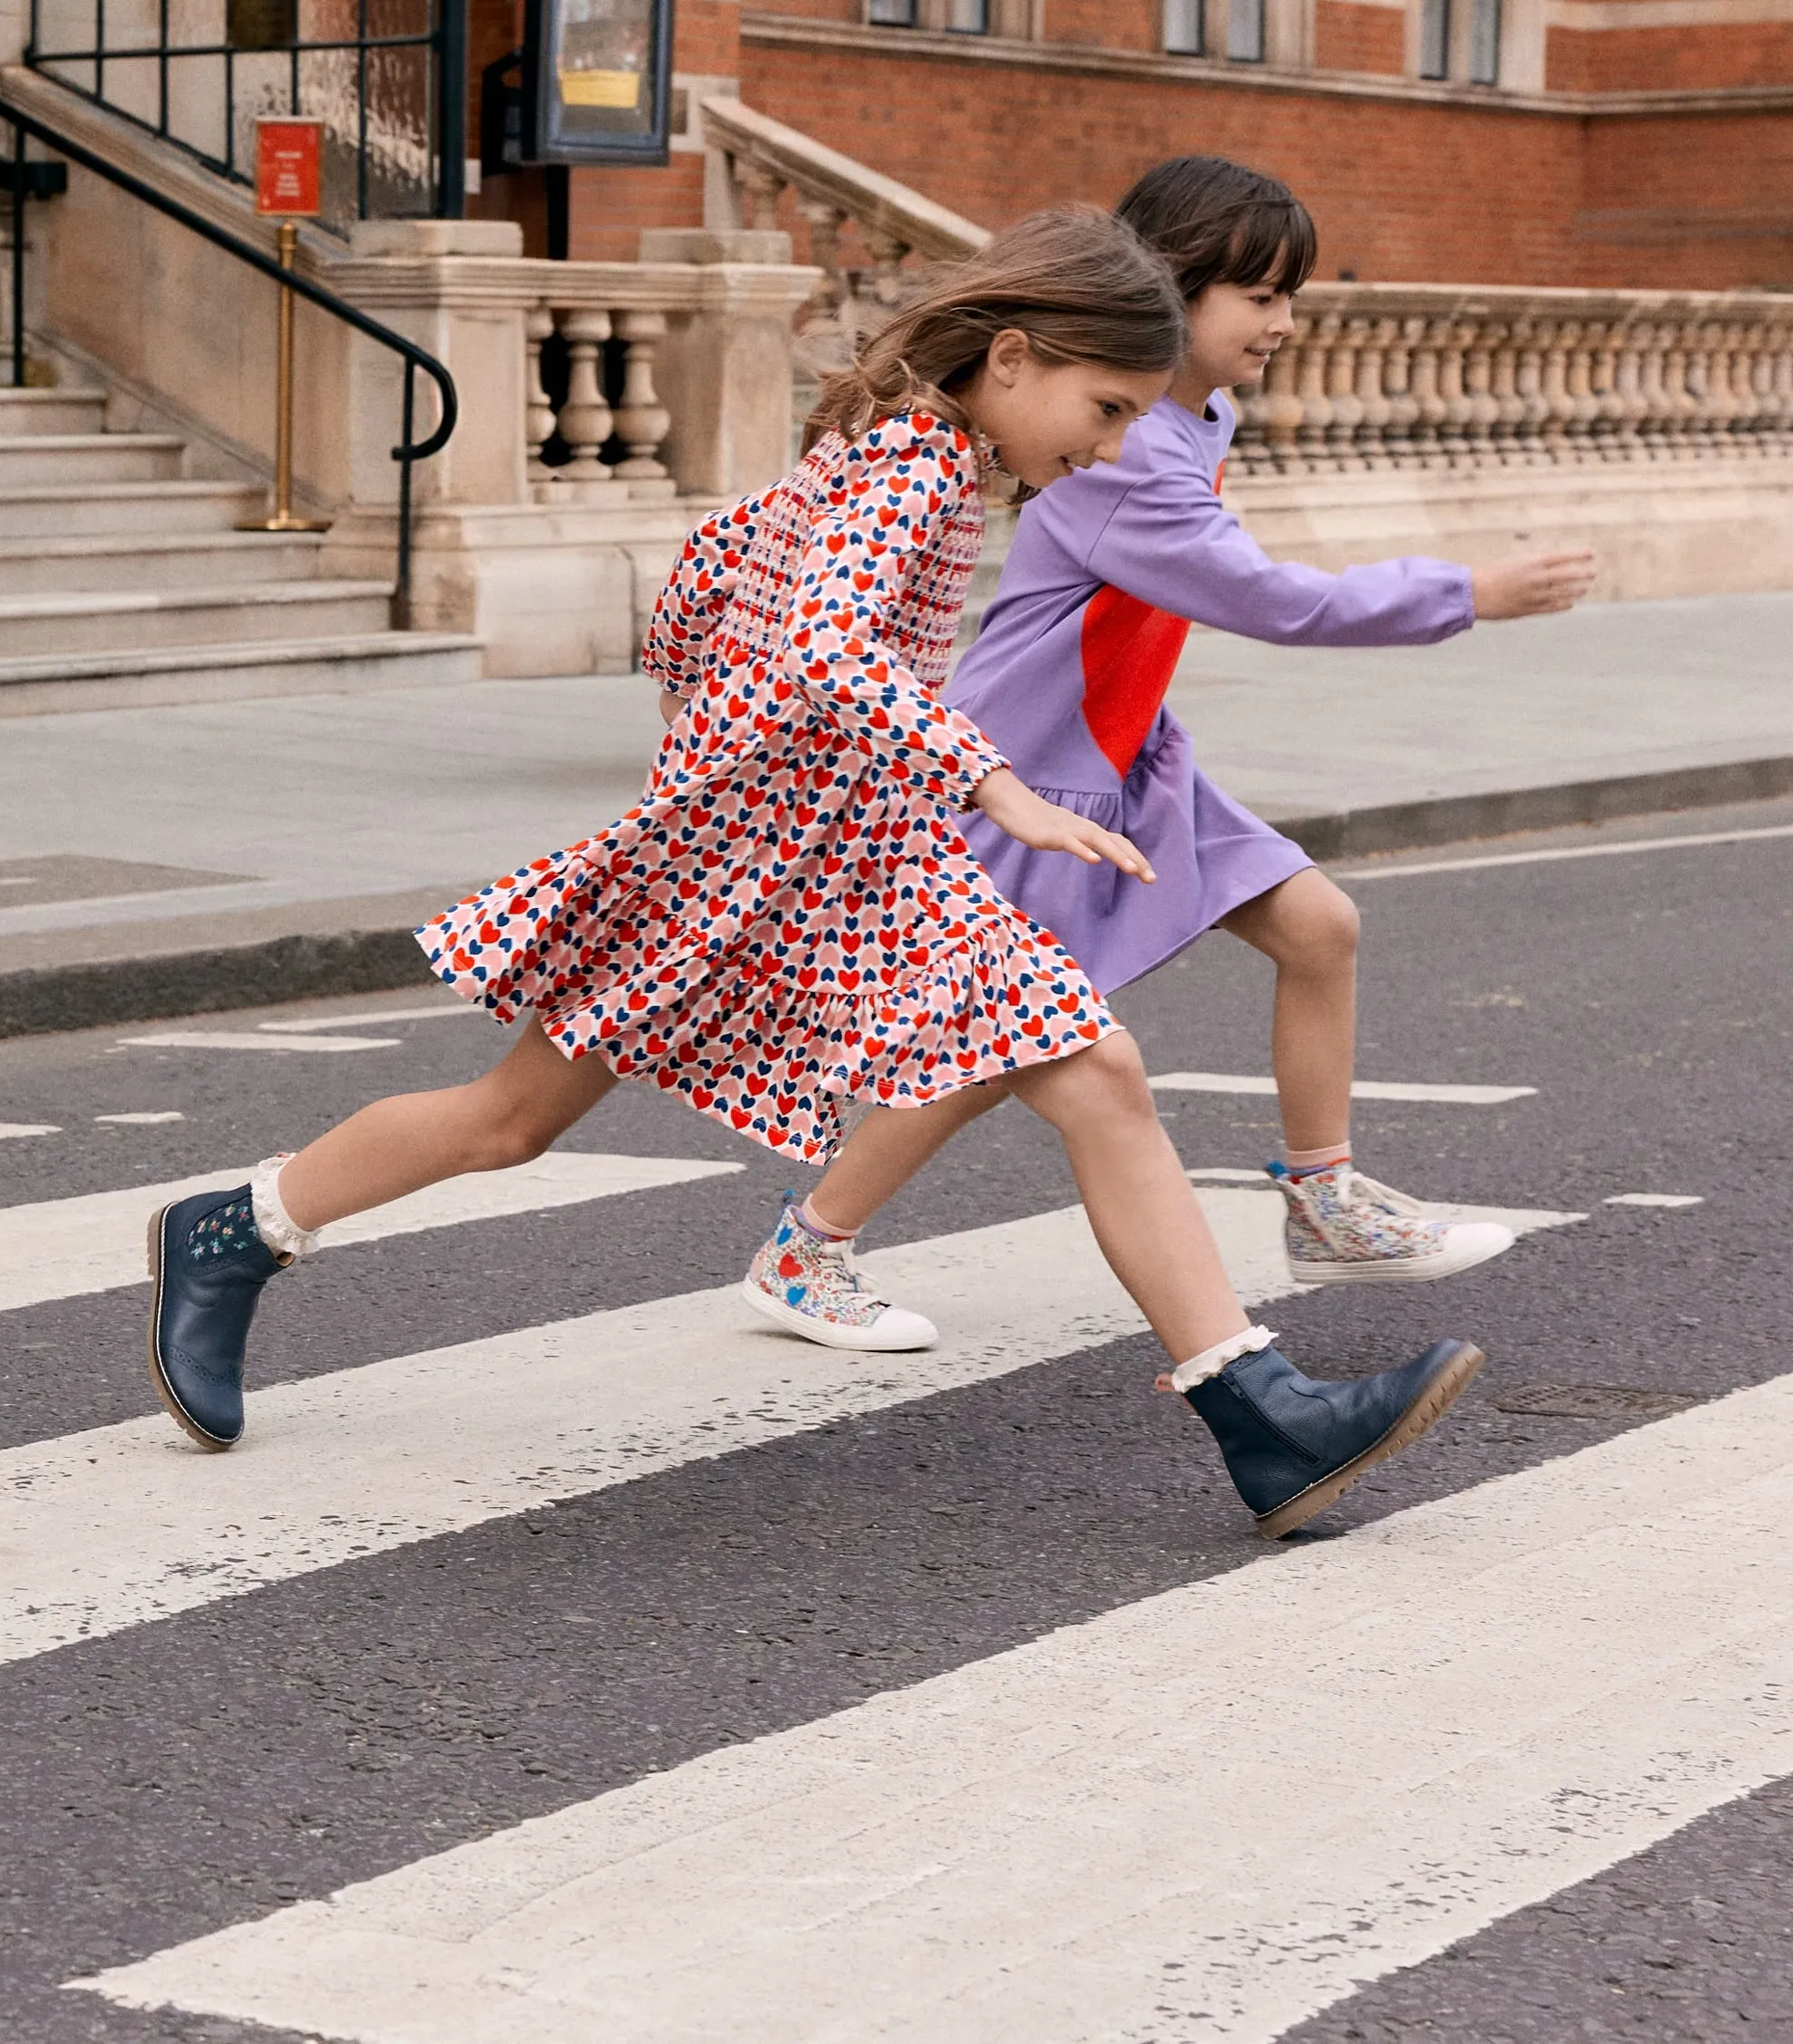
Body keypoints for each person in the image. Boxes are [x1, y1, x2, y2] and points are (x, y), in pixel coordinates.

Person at [147, 205, 1479, 1541]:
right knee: (510, 1120)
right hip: (758, 855)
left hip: (858, 850)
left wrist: (704, 718)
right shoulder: (914, 467)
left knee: (1097, 1070)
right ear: (1012, 357)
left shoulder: (907, 448)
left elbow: (713, 573)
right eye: (1108, 404)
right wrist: (989, 778)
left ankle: (1262, 1415)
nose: (1117, 443)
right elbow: (829, 648)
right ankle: (233, 1227)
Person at [740, 158, 1595, 1349]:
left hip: (1135, 761)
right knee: (995, 1047)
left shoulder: (1194, 417)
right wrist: (1471, 590)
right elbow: (1270, 598)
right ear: (1171, 291)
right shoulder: (1132, 455)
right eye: (1261, 295)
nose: (1286, 322)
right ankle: (805, 1248)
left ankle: (1324, 1197)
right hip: (1035, 771)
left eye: (1288, 295)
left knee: (1319, 926)